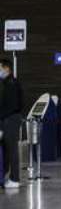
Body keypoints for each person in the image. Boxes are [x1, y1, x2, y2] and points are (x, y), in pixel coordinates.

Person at [0, 58, 24, 189]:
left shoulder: (12, 84)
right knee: (5, 149)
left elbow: (12, 106)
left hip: (11, 119)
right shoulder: (5, 83)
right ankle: (3, 176)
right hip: (6, 119)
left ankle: (15, 179)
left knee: (12, 149)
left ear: (6, 68)